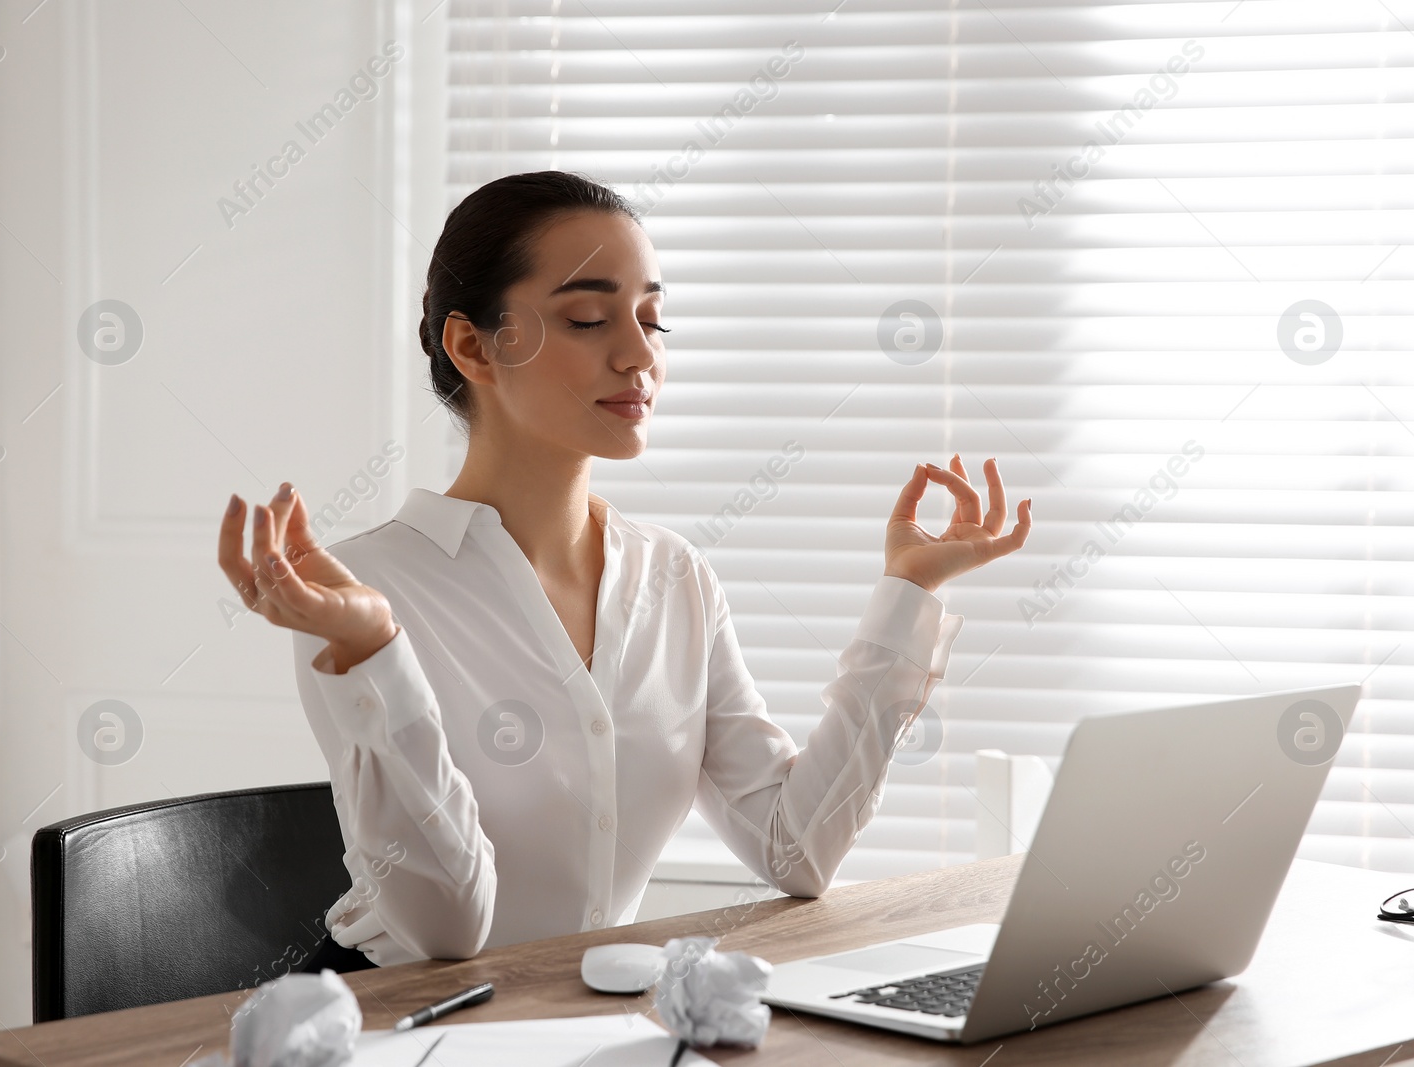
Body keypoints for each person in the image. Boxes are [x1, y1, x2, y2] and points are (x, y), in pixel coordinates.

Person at [216, 170, 1032, 968]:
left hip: (582, 1020)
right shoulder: (360, 596)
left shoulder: (675, 577)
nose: (640, 354)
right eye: (587, 320)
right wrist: (377, 654)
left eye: (653, 319)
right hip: (389, 1023)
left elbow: (798, 849)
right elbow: (445, 931)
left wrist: (908, 596)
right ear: (473, 346)